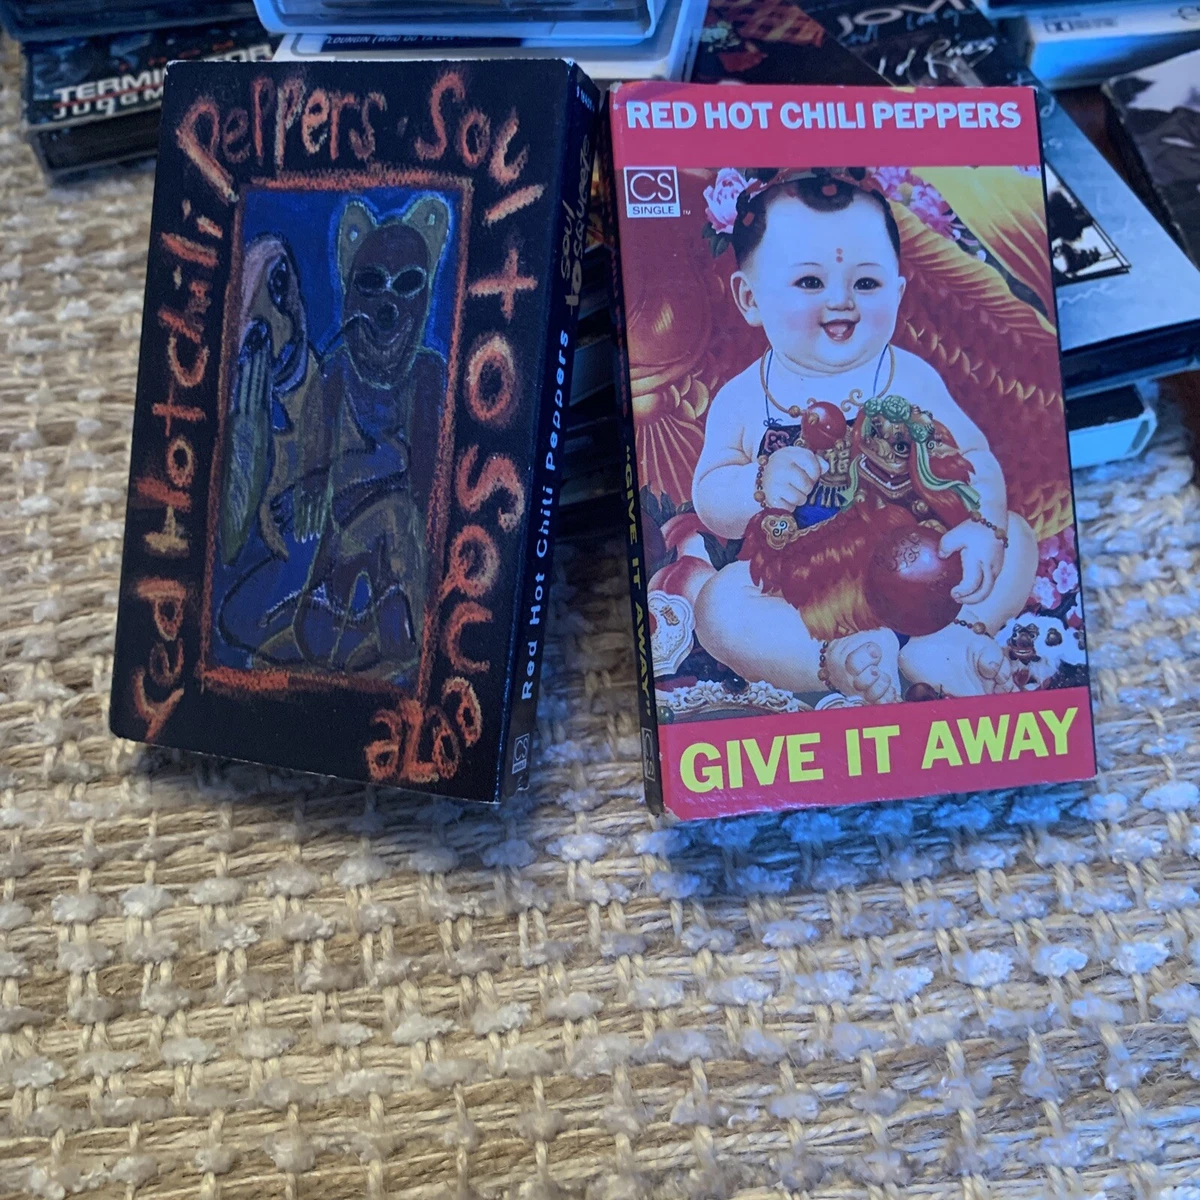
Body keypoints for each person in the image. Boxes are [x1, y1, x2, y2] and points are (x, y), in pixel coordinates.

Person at [691, 169, 1038, 702]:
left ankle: (950, 639)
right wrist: (758, 485)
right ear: (750, 298)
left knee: (1016, 534)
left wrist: (982, 527)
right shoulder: (742, 399)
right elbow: (711, 499)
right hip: (804, 585)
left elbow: (974, 454)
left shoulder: (912, 377)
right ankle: (837, 659)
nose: (842, 302)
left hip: (924, 563)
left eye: (867, 284)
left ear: (897, 292)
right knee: (719, 607)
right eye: (810, 283)